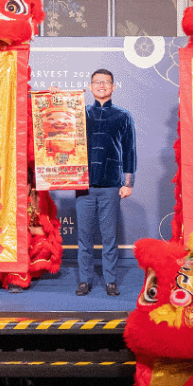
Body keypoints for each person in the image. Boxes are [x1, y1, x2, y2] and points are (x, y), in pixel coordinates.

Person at [75, 69, 137, 297]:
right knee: (84, 237)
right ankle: (84, 281)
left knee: (110, 237)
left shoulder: (123, 116)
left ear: (113, 87)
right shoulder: (80, 113)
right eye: (97, 82)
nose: (102, 85)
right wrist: (55, 99)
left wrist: (127, 182)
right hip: (84, 185)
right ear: (90, 87)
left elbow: (130, 150)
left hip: (112, 184)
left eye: (106, 82)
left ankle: (110, 280)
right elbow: (55, 124)